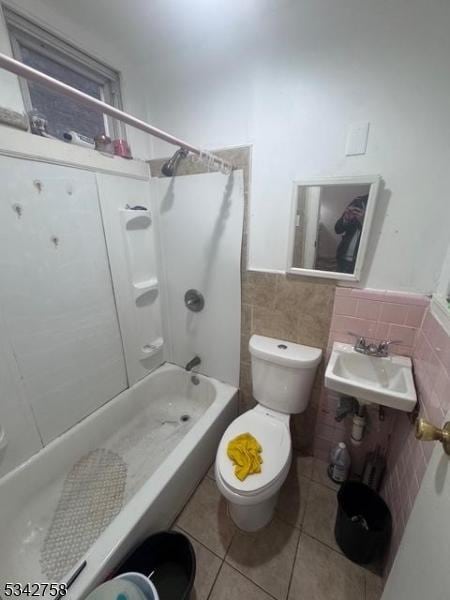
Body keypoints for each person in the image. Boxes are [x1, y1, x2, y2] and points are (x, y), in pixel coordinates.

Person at [334, 194, 368, 273]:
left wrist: (363, 220)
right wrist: (345, 219)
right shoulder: (356, 202)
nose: (357, 209)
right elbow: (338, 230)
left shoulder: (376, 217)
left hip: (360, 261)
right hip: (342, 257)